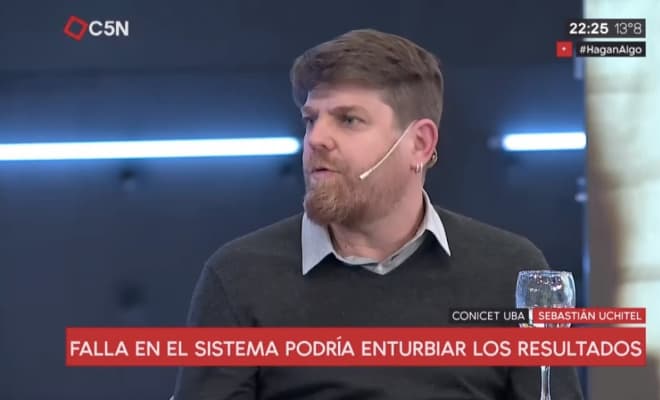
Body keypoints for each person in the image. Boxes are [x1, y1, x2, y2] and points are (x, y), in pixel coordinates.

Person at [173, 29, 583, 400]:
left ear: (420, 144)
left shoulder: (510, 270)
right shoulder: (238, 276)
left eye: (348, 120)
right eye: (311, 120)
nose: (317, 139)